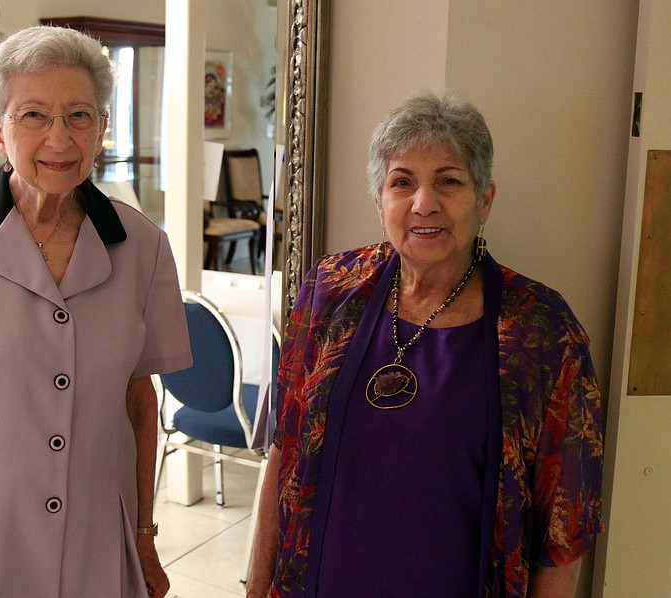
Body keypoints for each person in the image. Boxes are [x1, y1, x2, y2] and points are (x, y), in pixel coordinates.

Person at [0, 26, 191, 598]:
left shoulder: (143, 246)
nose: (59, 138)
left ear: (102, 127)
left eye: (79, 115)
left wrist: (144, 536)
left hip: (95, 529)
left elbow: (140, 405)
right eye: (34, 115)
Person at [247, 90, 604, 597]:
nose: (424, 204)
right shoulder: (330, 291)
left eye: (449, 181)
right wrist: (256, 588)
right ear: (379, 202)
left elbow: (564, 532)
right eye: (402, 182)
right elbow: (284, 452)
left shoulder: (543, 331)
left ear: (485, 200)